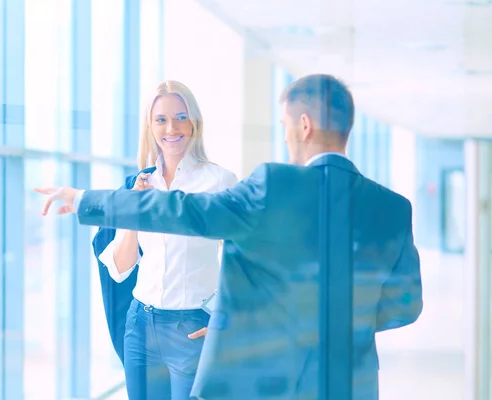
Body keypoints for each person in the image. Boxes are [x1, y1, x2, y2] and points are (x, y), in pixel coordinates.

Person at [34, 74, 423, 399]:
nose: (287, 139)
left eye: (286, 128)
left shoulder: (274, 184)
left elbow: (184, 211)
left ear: (304, 125)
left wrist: (84, 200)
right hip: (351, 382)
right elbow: (406, 305)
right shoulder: (393, 207)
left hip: (276, 375)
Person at [91, 80, 238, 400]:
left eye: (180, 117)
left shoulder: (219, 181)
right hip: (140, 325)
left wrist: (224, 319)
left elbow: (238, 261)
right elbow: (119, 268)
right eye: (161, 119)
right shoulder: (140, 183)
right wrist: (134, 212)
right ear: (150, 126)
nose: (171, 127)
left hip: (192, 327)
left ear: (194, 122)